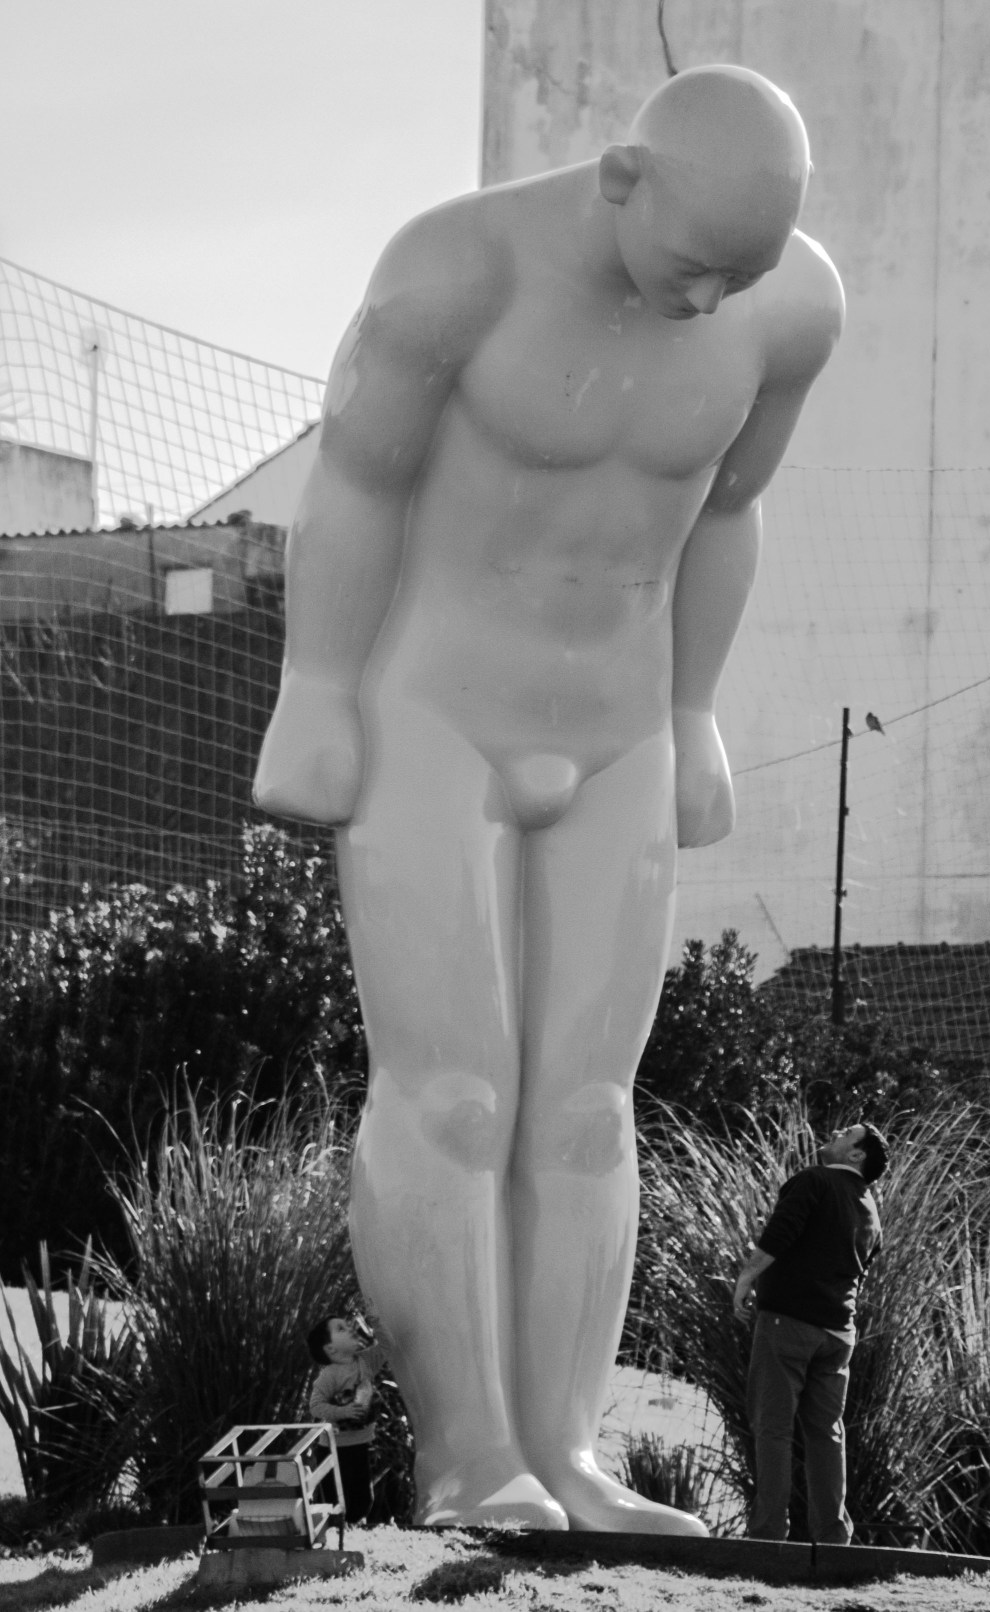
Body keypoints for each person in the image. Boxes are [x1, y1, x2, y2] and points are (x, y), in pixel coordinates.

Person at [255, 63, 844, 1532]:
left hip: (619, 734)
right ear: (622, 180)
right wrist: (316, 691)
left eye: (739, 274)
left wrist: (693, 712)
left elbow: (726, 510)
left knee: (584, 1108)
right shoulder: (451, 272)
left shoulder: (788, 312)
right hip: (434, 718)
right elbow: (355, 487)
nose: (707, 301)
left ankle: (566, 1455)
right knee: (452, 1089)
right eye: (692, 263)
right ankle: (467, 1454)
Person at [733, 1122, 889, 1545]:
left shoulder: (814, 1181)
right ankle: (833, 1538)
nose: (835, 1132)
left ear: (857, 1154)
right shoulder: (871, 1208)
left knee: (773, 1427)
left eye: (846, 1133)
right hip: (838, 1335)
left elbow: (780, 1233)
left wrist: (747, 1277)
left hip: (788, 1324)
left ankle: (767, 1535)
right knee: (826, 1434)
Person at [307, 1314, 388, 1525]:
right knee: (335, 1498)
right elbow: (316, 1406)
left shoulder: (365, 1362)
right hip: (334, 1449)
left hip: (360, 1443)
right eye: (341, 1328)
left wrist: (375, 1321)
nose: (350, 1328)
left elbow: (387, 1345)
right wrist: (343, 1412)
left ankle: (353, 1527)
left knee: (362, 1498)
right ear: (331, 1349)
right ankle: (335, 1529)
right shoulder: (330, 1375)